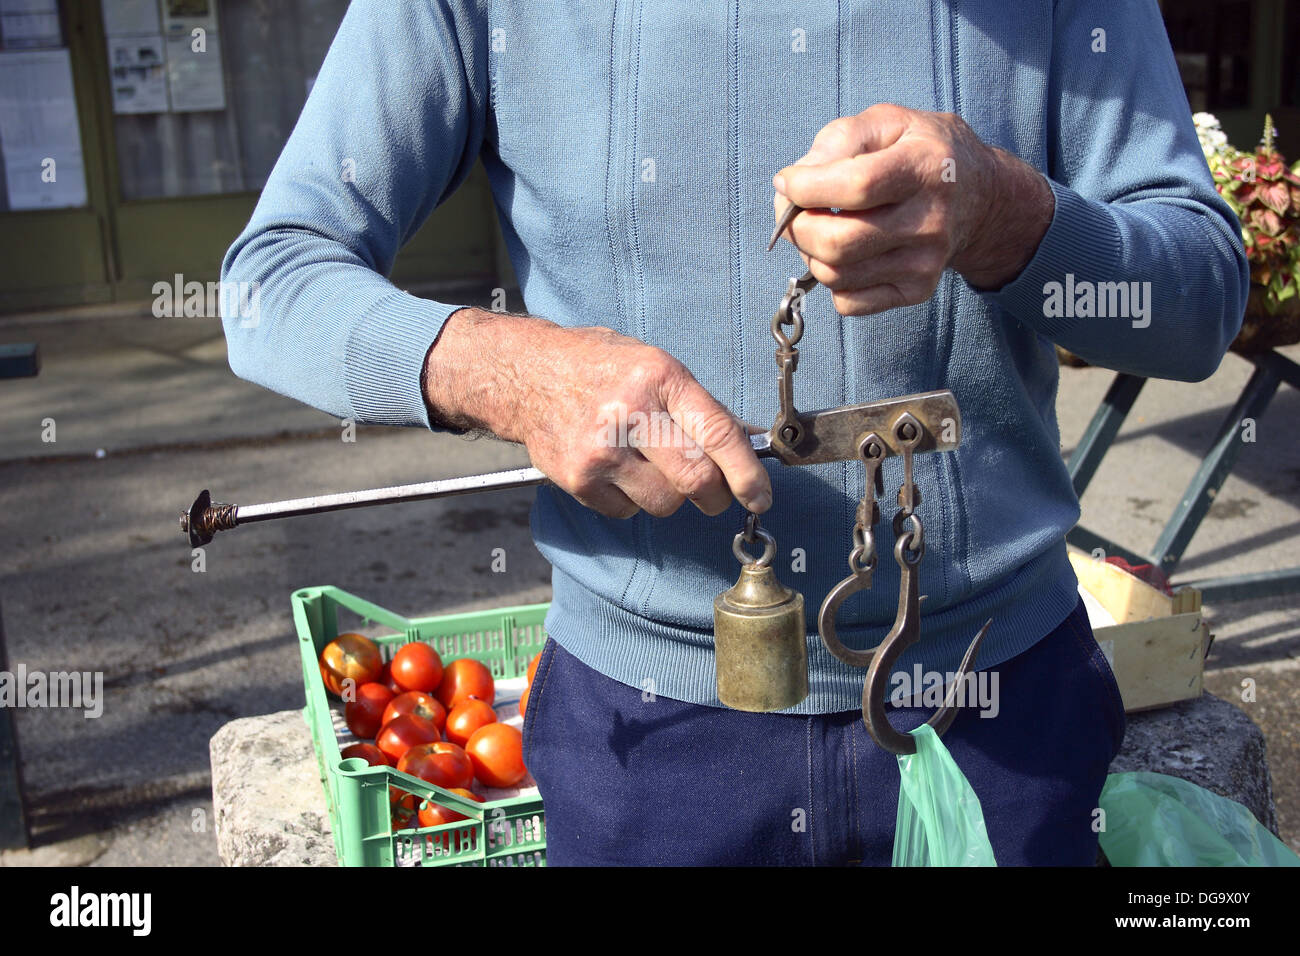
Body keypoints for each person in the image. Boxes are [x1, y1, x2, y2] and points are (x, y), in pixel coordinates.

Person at [222, 2, 1247, 865]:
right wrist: (510, 371)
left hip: (1003, 718)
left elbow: (1200, 297)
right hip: (649, 746)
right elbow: (272, 279)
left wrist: (1009, 213)